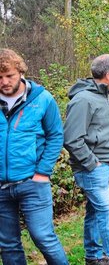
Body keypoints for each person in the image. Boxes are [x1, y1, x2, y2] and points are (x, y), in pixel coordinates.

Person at [0, 48, 68, 265]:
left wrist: (43, 172)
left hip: (32, 182)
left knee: (43, 237)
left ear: (20, 72)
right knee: (8, 244)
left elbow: (56, 135)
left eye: (9, 76)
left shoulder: (42, 99)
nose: (4, 82)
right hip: (1, 187)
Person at [64, 54, 109, 265]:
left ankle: (92, 256)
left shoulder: (103, 95)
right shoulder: (83, 100)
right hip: (92, 168)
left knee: (94, 212)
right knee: (107, 211)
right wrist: (92, 163)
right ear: (108, 75)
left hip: (104, 164)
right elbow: (71, 138)